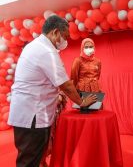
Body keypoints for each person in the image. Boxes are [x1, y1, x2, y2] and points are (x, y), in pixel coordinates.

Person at [7, 15, 97, 167]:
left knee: (34, 158)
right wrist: (82, 102)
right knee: (29, 161)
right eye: (65, 36)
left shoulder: (34, 45)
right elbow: (66, 85)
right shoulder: (46, 51)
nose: (66, 41)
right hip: (33, 116)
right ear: (55, 32)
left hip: (27, 113)